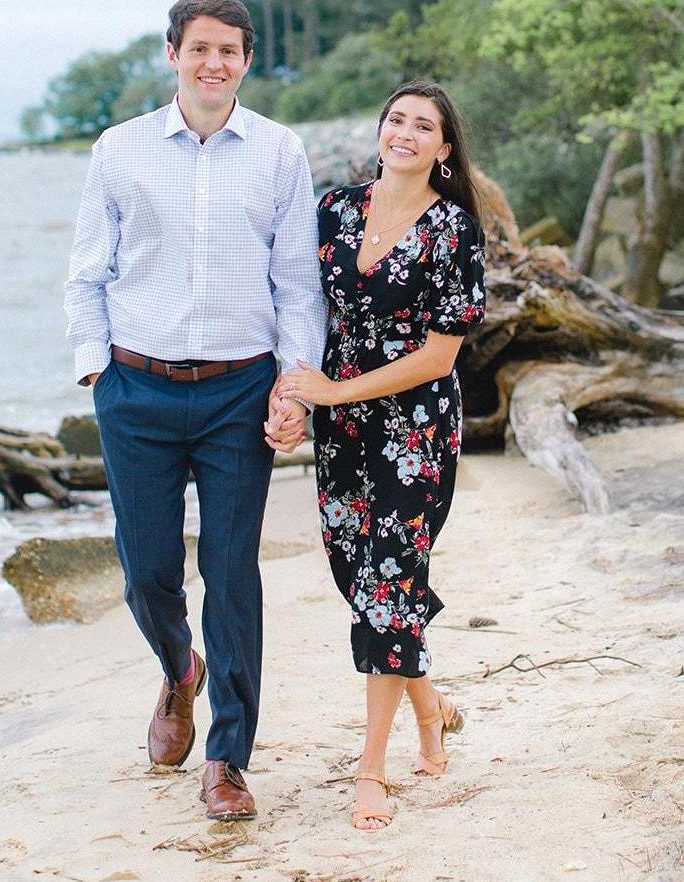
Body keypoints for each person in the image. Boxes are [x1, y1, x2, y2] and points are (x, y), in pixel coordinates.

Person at [64, 0, 325, 822]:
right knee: (145, 571)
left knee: (231, 571)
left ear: (248, 61)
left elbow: (298, 283)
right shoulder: (120, 149)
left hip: (239, 391)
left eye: (231, 51)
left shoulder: (280, 153)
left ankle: (228, 758)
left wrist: (294, 384)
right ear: (173, 52)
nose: (215, 63)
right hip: (134, 388)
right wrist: (95, 374)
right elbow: (86, 274)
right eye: (200, 48)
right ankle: (180, 670)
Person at [277, 80, 486, 831]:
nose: (403, 132)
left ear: (443, 147)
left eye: (422, 125)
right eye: (395, 119)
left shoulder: (453, 230)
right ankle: (432, 708)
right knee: (352, 574)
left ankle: (371, 769)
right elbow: (297, 302)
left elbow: (439, 356)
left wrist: (334, 392)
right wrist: (297, 396)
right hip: (343, 429)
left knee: (391, 584)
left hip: (415, 432)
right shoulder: (334, 210)